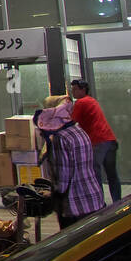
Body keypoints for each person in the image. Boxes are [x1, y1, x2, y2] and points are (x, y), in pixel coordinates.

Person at [35, 94, 104, 229]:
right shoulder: (79, 131)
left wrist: (52, 193)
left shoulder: (60, 138)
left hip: (75, 205)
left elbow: (63, 180)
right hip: (93, 198)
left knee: (76, 248)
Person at [69, 79, 120, 202]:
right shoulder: (92, 101)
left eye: (75, 89)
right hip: (110, 140)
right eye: (72, 89)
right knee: (112, 174)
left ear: (83, 90)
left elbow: (70, 122)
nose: (73, 92)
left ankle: (99, 205)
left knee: (94, 175)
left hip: (98, 142)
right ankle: (118, 202)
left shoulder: (81, 102)